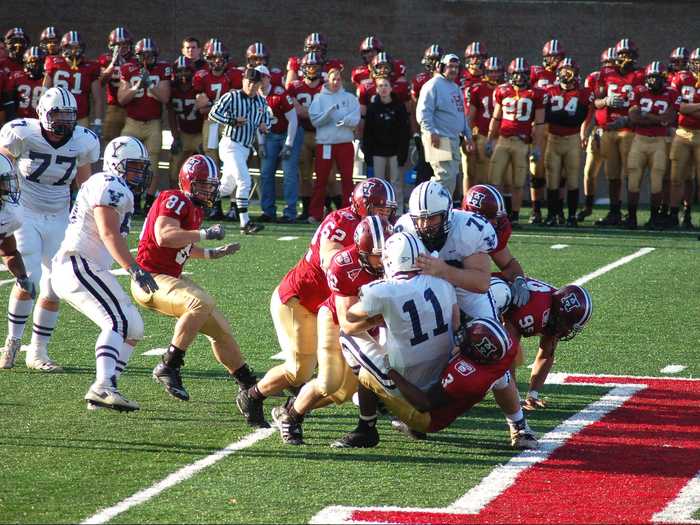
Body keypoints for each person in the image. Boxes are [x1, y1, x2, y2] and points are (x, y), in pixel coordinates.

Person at [235, 179, 396, 429]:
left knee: (341, 389)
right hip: (299, 301)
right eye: (379, 210)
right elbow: (331, 259)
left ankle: (292, 409)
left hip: (335, 308)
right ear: (362, 206)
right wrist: (364, 256)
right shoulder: (340, 223)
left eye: (388, 211)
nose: (385, 216)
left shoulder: (384, 228)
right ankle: (252, 395)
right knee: (299, 370)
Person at [394, 181, 538, 449]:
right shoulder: (404, 230)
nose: (426, 226)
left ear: (448, 214)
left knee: (494, 357)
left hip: (469, 292)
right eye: (421, 220)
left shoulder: (468, 229)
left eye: (433, 218)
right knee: (419, 351)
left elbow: (481, 283)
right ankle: (419, 415)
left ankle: (519, 426)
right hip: (431, 291)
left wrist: (443, 271)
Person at [131, 154, 262, 420]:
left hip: (168, 277)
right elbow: (164, 236)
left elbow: (183, 246)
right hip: (149, 278)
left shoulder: (193, 206)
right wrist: (205, 233)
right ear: (187, 182)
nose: (208, 190)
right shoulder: (175, 198)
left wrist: (213, 253)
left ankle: (249, 385)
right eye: (202, 184)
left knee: (221, 330)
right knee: (199, 302)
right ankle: (169, 365)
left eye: (211, 185)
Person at [51, 137, 157, 411]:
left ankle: (106, 386)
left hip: (89, 267)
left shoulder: (119, 188)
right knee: (117, 321)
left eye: (142, 167)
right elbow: (108, 233)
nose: (140, 173)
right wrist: (134, 269)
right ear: (115, 164)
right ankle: (103, 387)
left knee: (133, 326)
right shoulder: (109, 183)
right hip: (78, 263)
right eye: (133, 166)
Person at [0, 87, 100, 370]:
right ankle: (12, 343)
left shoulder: (83, 141)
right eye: (58, 114)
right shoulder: (21, 132)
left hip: (59, 215)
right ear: (43, 113)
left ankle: (39, 352)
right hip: (26, 212)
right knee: (28, 278)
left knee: (56, 285)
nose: (64, 122)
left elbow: (85, 184)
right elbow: (2, 164)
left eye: (69, 115)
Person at [271, 215, 393, 445]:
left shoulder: (396, 258)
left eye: (385, 255)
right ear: (362, 251)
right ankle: (291, 417)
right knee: (329, 382)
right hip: (337, 318)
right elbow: (348, 323)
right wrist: (383, 319)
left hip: (372, 319)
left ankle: (375, 420)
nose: (382, 262)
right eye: (377, 256)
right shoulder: (344, 265)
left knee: (346, 390)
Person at [334, 231, 460, 447]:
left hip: (404, 383)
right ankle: (374, 409)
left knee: (347, 336)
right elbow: (456, 324)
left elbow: (350, 317)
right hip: (440, 378)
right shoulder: (443, 282)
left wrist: (380, 318)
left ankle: (371, 419)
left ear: (390, 261)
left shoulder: (384, 290)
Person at [490, 276, 592, 410]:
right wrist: (513, 396)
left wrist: (533, 394)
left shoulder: (555, 309)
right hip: (486, 294)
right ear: (560, 314)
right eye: (569, 325)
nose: (568, 332)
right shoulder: (536, 310)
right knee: (499, 355)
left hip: (506, 310)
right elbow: (507, 352)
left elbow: (546, 355)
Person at [209, 66, 270, 234]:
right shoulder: (232, 96)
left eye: (254, 83)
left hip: (245, 148)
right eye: (248, 82)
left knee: (226, 188)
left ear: (259, 84)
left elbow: (266, 120)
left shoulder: (261, 101)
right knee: (245, 181)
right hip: (230, 144)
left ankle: (195, 202)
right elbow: (213, 114)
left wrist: (265, 126)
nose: (251, 85)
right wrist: (232, 120)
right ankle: (245, 223)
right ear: (243, 81)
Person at [486, 57, 547, 227]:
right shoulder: (502, 91)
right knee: (495, 179)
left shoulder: (536, 94)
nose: (519, 78)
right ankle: (495, 214)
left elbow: (540, 124)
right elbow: (496, 117)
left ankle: (514, 215)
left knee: (518, 182)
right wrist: (490, 139)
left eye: (523, 74)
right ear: (510, 75)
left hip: (522, 143)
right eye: (516, 74)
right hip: (503, 141)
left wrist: (537, 147)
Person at [593, 38, 644, 227]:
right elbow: (596, 102)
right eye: (622, 54)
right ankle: (614, 212)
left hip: (629, 131)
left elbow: (644, 104)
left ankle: (631, 216)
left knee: (631, 173)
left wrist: (630, 118)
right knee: (612, 174)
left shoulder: (641, 75)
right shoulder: (605, 74)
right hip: (609, 131)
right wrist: (606, 101)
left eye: (628, 54)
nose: (625, 57)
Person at [117, 37, 171, 215]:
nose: (147, 59)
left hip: (153, 124)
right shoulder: (128, 69)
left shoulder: (163, 69)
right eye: (144, 55)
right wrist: (137, 86)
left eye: (150, 55)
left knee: (152, 164)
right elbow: (122, 99)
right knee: (125, 161)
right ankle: (129, 198)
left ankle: (148, 201)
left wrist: (150, 86)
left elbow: (165, 97)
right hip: (132, 122)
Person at [623, 62, 680, 229]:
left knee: (657, 181)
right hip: (639, 140)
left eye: (655, 77)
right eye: (650, 77)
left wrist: (647, 116)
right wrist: (657, 118)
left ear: (663, 79)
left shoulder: (672, 93)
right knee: (633, 179)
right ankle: (632, 218)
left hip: (659, 142)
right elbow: (633, 116)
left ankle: (654, 218)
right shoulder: (639, 91)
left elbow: (669, 118)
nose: (652, 81)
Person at [543, 58, 594, 227]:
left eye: (570, 69)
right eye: (564, 69)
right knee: (552, 178)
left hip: (572, 139)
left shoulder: (584, 93)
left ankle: (571, 216)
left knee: (572, 178)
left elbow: (583, 116)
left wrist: (582, 131)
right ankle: (552, 214)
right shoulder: (549, 91)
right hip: (553, 138)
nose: (567, 73)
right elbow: (545, 116)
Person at [416, 53, 474, 196]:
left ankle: (441, 209)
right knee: (444, 177)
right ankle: (430, 205)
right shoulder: (432, 85)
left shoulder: (455, 87)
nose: (453, 70)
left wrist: (468, 135)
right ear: (441, 67)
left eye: (456, 67)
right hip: (439, 137)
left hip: (453, 139)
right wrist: (431, 133)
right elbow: (423, 113)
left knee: (451, 177)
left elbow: (461, 114)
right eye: (450, 66)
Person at [308, 67, 360, 222]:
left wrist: (343, 120)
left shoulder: (349, 98)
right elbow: (315, 120)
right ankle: (315, 213)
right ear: (328, 80)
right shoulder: (319, 98)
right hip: (325, 144)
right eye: (333, 79)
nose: (336, 82)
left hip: (344, 144)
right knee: (321, 180)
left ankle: (350, 212)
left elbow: (355, 119)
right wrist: (328, 114)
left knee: (347, 180)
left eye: (338, 79)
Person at [0, 153, 33, 368]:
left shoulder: (8, 213)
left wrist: (22, 276)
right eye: (2, 182)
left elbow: (9, 251)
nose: (6, 187)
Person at [578, 48, 618, 222]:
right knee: (588, 172)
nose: (609, 67)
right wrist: (584, 132)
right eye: (606, 64)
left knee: (612, 173)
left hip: (615, 132)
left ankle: (614, 210)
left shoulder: (624, 80)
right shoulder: (595, 78)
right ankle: (588, 206)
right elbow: (590, 107)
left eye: (613, 63)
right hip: (598, 130)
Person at [286, 52, 327, 221]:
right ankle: (306, 208)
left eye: (315, 66)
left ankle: (324, 207)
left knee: (326, 175)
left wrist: (305, 113)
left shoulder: (326, 86)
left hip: (323, 135)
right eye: (309, 66)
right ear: (303, 68)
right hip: (302, 134)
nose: (312, 70)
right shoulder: (294, 86)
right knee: (305, 175)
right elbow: (293, 110)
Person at [258, 65, 300, 223]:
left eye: (263, 77)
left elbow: (293, 120)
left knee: (289, 174)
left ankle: (290, 212)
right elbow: (258, 122)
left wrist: (288, 144)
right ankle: (268, 211)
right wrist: (261, 144)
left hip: (287, 133)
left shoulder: (279, 93)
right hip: (269, 135)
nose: (260, 80)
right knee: (266, 173)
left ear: (268, 78)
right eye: (257, 77)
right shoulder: (254, 95)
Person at [362, 76, 410, 214]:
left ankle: (398, 211)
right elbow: (368, 133)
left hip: (395, 151)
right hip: (378, 151)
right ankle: (379, 211)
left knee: (396, 183)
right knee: (379, 184)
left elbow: (404, 132)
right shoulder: (372, 108)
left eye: (386, 85)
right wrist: (368, 152)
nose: (383, 88)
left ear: (391, 88)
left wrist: (402, 153)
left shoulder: (399, 107)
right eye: (380, 86)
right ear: (377, 89)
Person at [43, 31, 103, 133]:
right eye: (70, 47)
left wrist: (98, 121)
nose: (74, 51)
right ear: (64, 48)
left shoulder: (90, 67)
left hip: (80, 117)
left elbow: (97, 98)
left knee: (80, 147)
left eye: (77, 47)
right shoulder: (53, 62)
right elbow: (44, 92)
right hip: (56, 115)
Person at [669, 47, 700, 230]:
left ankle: (688, 214)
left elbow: (684, 107)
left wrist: (689, 107)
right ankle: (674, 215)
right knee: (677, 177)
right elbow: (677, 106)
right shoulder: (681, 78)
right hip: (682, 133)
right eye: (697, 62)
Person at [464, 56, 504, 190]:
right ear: (485, 71)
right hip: (482, 134)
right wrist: (469, 137)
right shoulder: (477, 89)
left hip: (502, 137)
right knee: (482, 174)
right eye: (491, 71)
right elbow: (471, 115)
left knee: (501, 175)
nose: (494, 74)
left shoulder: (507, 89)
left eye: (497, 71)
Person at [168, 57, 203, 186]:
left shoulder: (198, 87)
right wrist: (175, 136)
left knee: (206, 163)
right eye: (179, 71)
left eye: (186, 71)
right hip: (183, 133)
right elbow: (171, 114)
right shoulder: (173, 89)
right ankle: (173, 194)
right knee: (174, 165)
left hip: (200, 133)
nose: (183, 75)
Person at [98, 27, 136, 145]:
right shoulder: (106, 59)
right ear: (111, 45)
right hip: (114, 106)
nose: (121, 47)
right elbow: (101, 82)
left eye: (124, 44)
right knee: (110, 141)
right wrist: (112, 64)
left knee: (131, 143)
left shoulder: (136, 60)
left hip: (133, 105)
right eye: (118, 44)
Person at [411, 45, 442, 185]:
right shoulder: (420, 80)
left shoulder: (448, 81)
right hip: (426, 130)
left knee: (441, 170)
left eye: (437, 60)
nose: (434, 63)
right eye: (432, 59)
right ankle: (419, 201)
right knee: (424, 168)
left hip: (442, 130)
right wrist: (415, 133)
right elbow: (414, 107)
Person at [4, 46, 46, 120]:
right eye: (31, 61)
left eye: (38, 61)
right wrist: (13, 118)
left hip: (40, 121)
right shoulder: (16, 76)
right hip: (20, 120)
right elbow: (9, 101)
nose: (35, 65)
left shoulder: (47, 79)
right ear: (25, 62)